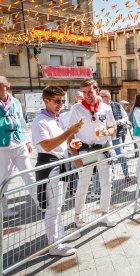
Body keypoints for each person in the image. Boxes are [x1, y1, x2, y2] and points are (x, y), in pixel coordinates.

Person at [31, 86, 84, 257]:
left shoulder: (56, 118)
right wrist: (69, 132)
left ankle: (59, 234)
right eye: (57, 101)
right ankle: (54, 245)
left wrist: (70, 144)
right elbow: (46, 145)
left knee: (59, 205)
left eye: (62, 101)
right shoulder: (40, 121)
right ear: (46, 101)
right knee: (52, 208)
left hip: (59, 164)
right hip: (49, 166)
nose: (61, 104)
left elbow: (58, 142)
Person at [68, 79, 117, 228]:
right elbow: (70, 134)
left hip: (103, 149)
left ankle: (104, 214)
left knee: (106, 183)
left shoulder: (105, 108)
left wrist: (107, 131)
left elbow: (112, 129)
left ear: (97, 90)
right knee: (83, 185)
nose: (87, 95)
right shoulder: (76, 109)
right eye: (84, 92)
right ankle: (78, 217)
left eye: (90, 91)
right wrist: (75, 157)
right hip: (86, 151)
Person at [0, 76, 38, 218]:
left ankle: (40, 203)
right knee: (3, 180)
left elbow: (21, 122)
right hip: (2, 147)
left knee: (29, 174)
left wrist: (27, 141)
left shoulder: (15, 102)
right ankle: (3, 210)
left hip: (19, 143)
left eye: (0, 87)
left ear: (7, 87)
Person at [99, 90, 130, 182]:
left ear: (108, 97)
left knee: (120, 154)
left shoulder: (117, 105)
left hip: (117, 135)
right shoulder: (99, 108)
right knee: (108, 156)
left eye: (102, 96)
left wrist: (119, 122)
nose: (100, 98)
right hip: (105, 137)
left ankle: (126, 174)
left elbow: (125, 117)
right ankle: (111, 175)